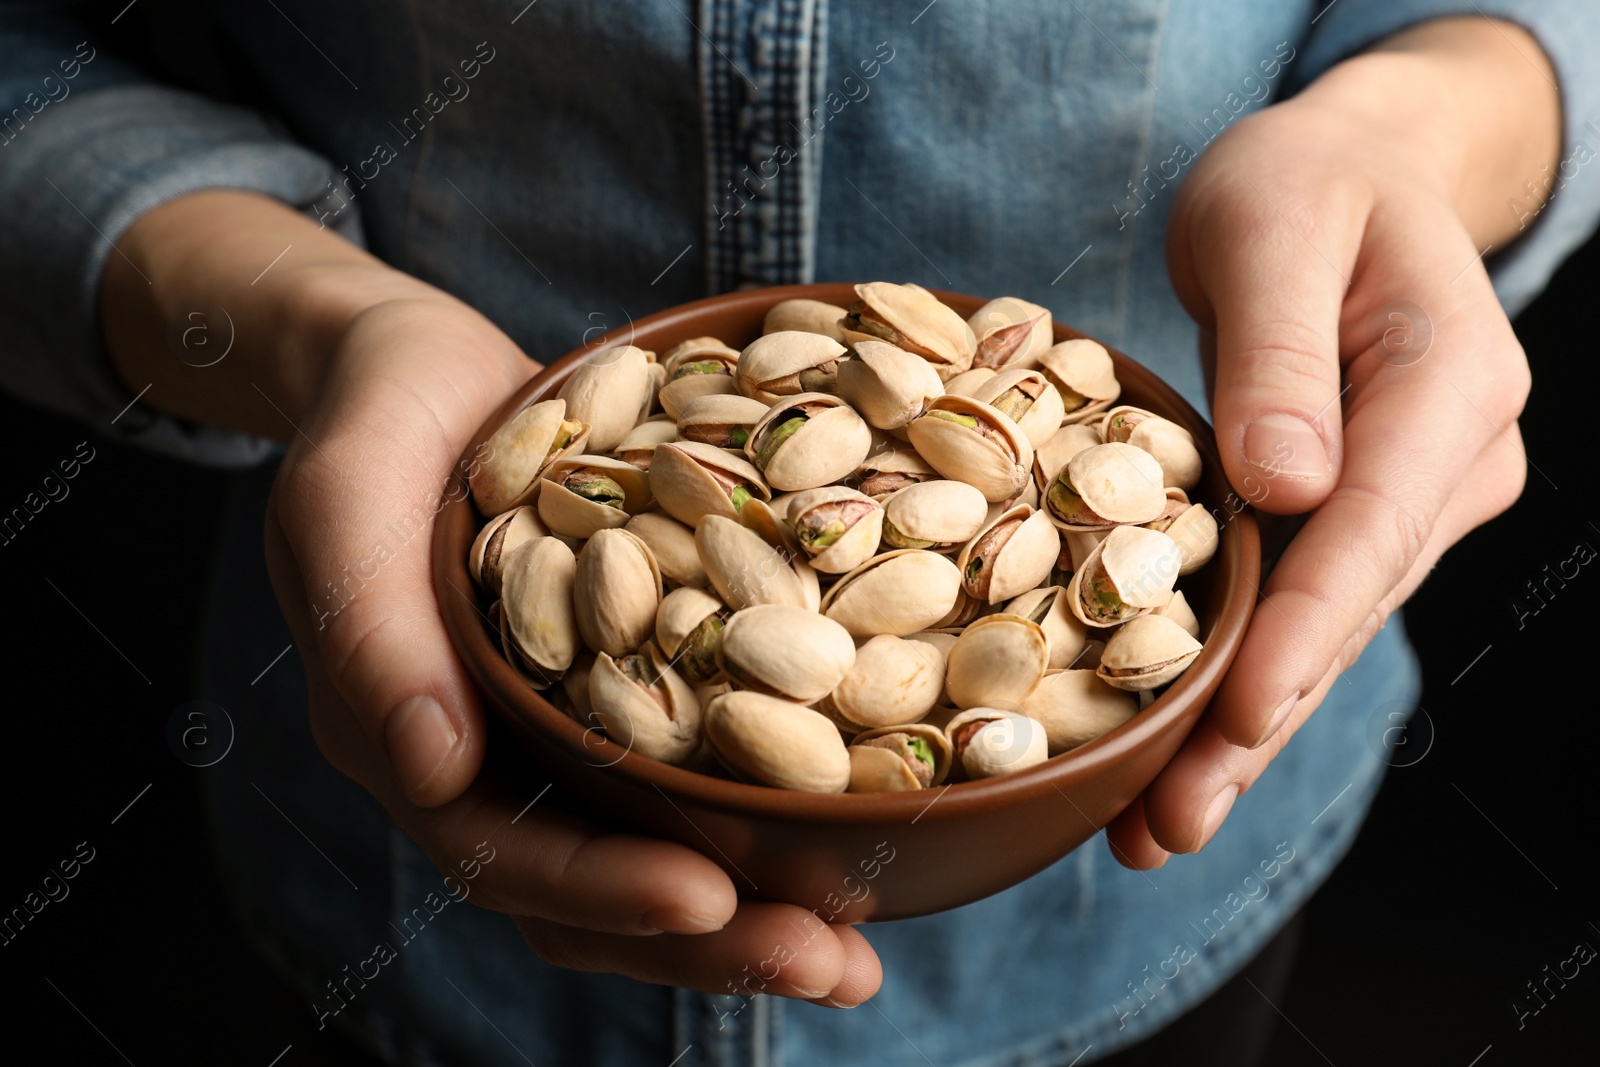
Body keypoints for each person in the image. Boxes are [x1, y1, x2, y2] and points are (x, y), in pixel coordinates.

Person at [3, 1, 1596, 1063]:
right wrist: (310, 328)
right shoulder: (636, 512)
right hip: (391, 871)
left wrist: (1419, 130)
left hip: (1149, 882)